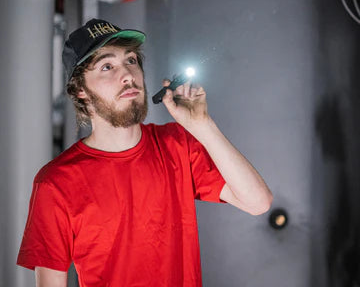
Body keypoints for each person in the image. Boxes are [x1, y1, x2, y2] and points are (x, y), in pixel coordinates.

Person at [17, 19, 273, 287]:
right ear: (81, 91)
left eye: (131, 60)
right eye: (107, 66)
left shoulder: (178, 144)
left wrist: (203, 126)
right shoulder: (55, 182)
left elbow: (258, 202)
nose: (128, 75)